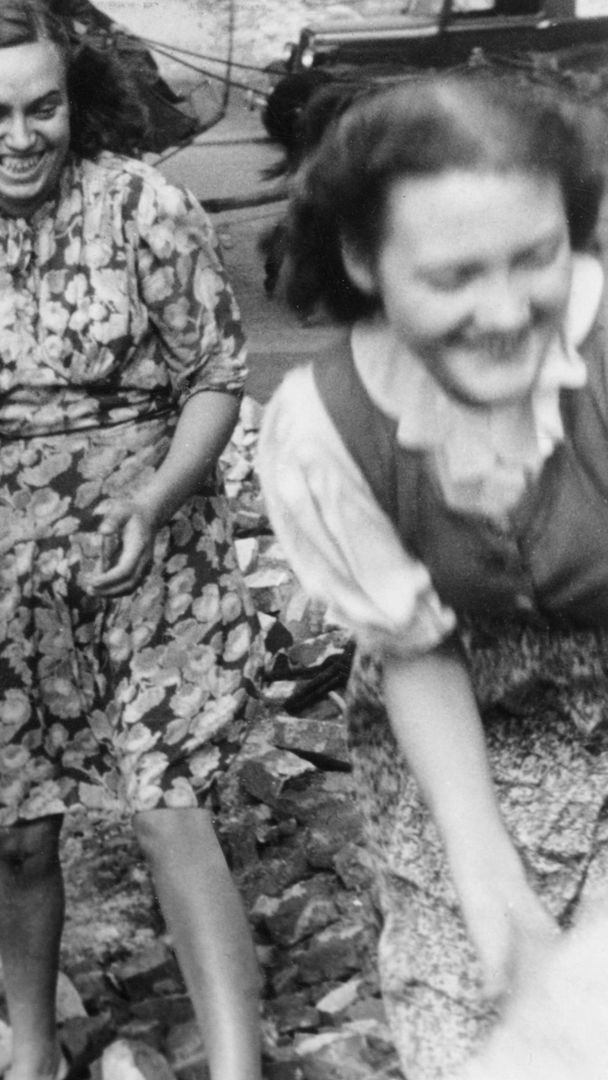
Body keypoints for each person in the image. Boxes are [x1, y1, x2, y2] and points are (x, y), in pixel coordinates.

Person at [0, 2, 262, 1075]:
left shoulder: (148, 210)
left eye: (41, 107)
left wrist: (154, 499)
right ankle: (35, 1050)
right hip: (8, 567)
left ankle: (239, 1066)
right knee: (16, 827)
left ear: (73, 102)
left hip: (151, 548)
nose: (19, 135)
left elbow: (217, 380)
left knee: (164, 801)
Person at [255, 75, 608, 1080]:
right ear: (366, 260)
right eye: (454, 277)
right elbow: (413, 649)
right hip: (466, 722)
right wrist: (493, 893)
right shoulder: (327, 427)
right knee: (484, 1026)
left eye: (534, 259)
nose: (505, 311)